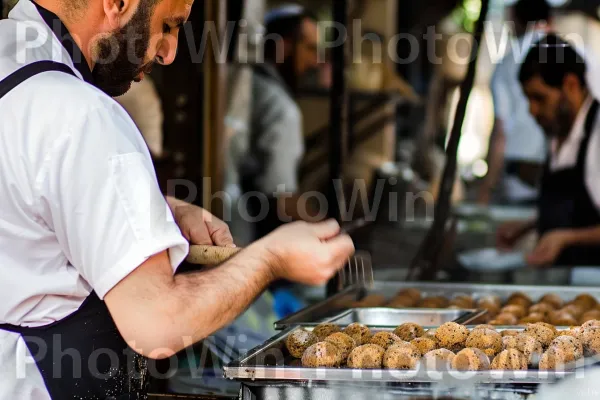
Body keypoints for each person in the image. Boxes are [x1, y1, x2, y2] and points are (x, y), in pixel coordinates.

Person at [0, 0, 354, 398]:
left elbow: (20, 199)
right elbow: (157, 324)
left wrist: (148, 207)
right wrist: (271, 259)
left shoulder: (12, 65)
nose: (169, 53)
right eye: (168, 26)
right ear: (118, 4)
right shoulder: (83, 115)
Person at [497, 34, 600, 267]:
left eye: (539, 98)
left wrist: (567, 238)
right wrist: (529, 225)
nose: (532, 110)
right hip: (566, 288)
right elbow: (582, 210)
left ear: (571, 85)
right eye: (528, 100)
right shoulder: (558, 134)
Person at [237, 5, 321, 240]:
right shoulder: (281, 108)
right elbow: (280, 201)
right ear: (283, 46)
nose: (314, 62)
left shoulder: (244, 83)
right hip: (245, 235)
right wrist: (325, 228)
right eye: (310, 49)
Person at [478, 0, 550, 205]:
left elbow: (501, 130)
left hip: (521, 184)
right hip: (565, 180)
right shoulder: (581, 56)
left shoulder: (507, 64)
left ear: (516, 18)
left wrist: (486, 188)